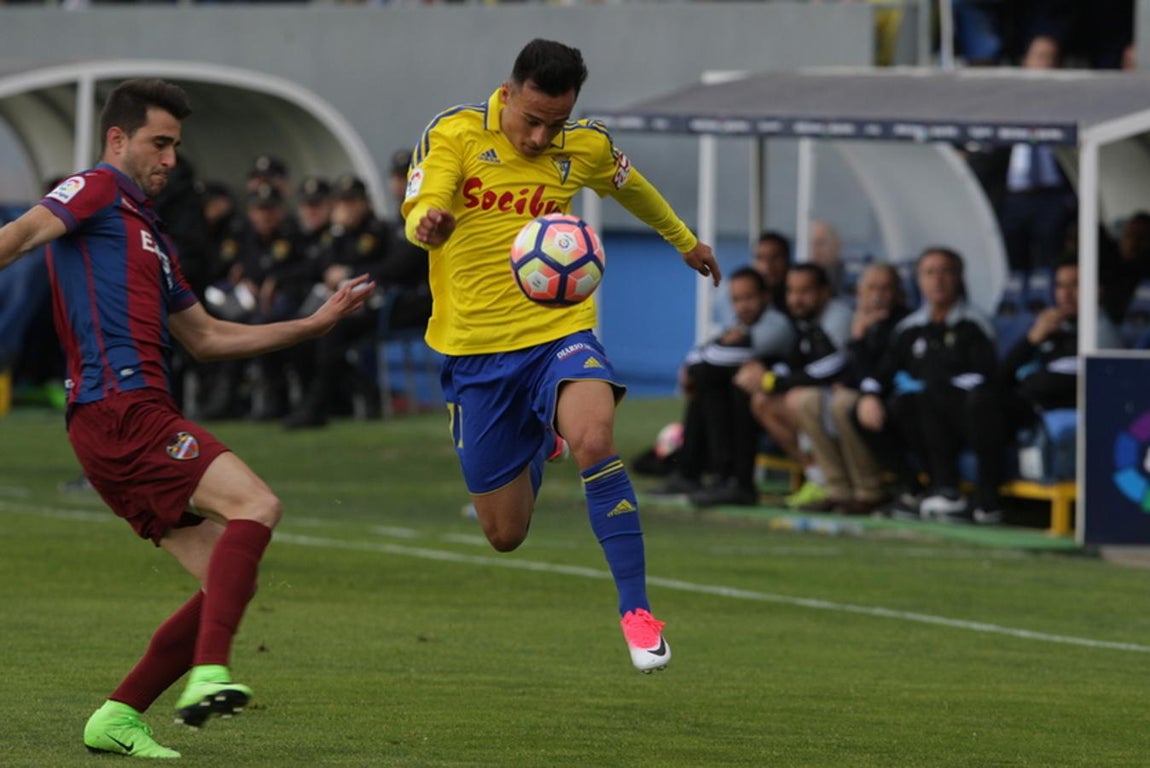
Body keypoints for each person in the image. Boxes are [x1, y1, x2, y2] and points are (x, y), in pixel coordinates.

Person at [0, 78, 375, 758]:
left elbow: (208, 338)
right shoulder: (93, 189)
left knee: (229, 573)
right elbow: (21, 235)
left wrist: (312, 325)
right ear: (118, 139)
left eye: (175, 145)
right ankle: (209, 673)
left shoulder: (151, 236)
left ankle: (116, 715)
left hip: (124, 417)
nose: (170, 158)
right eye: (159, 142)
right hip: (122, 410)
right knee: (257, 507)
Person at [402, 39, 720, 673]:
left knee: (597, 439)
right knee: (505, 534)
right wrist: (428, 224)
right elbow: (423, 203)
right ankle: (538, 438)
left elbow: (634, 188)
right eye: (532, 120)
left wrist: (684, 241)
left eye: (556, 123)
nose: (542, 137)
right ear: (510, 90)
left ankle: (637, 610)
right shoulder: (457, 133)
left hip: (559, 331)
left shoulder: (587, 146)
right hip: (477, 353)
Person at [856, 247, 1003, 524]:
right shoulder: (909, 328)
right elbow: (884, 371)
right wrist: (869, 394)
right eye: (929, 273)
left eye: (945, 272)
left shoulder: (974, 324)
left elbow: (986, 376)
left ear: (959, 278)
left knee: (932, 399)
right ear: (919, 281)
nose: (938, 280)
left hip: (966, 415)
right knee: (865, 409)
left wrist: (938, 387)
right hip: (924, 414)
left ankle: (956, 492)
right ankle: (912, 489)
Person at [649, 267, 793, 506]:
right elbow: (703, 354)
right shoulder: (739, 325)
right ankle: (698, 474)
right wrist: (698, 364)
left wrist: (699, 363)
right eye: (737, 300)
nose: (743, 306)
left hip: (776, 398)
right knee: (707, 384)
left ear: (765, 296)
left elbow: (732, 353)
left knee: (729, 382)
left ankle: (739, 482)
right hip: (755, 396)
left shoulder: (776, 324)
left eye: (749, 298)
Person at [786, 262, 910, 515]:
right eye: (872, 288)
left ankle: (869, 491)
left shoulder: (902, 323)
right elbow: (849, 369)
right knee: (807, 400)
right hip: (862, 391)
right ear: (859, 292)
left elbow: (882, 371)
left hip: (889, 395)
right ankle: (838, 490)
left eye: (885, 288)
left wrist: (859, 339)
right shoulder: (860, 319)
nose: (878, 295)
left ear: (897, 293)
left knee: (842, 404)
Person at [731, 263, 853, 508]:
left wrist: (775, 381)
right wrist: (764, 376)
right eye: (792, 291)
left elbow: (833, 366)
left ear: (825, 291)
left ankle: (838, 482)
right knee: (762, 401)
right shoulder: (803, 321)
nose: (797, 299)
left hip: (846, 395)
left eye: (805, 291)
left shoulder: (838, 317)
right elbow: (794, 362)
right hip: (821, 396)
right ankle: (817, 477)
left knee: (801, 398)